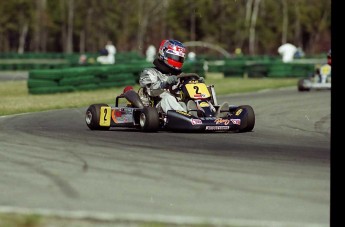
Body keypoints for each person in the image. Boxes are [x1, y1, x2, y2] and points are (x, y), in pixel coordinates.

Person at [139, 39, 229, 118]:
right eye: (175, 57)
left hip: (179, 106)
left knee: (207, 89)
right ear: (164, 54)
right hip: (157, 108)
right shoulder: (150, 72)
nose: (177, 60)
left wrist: (197, 83)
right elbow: (151, 90)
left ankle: (212, 113)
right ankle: (188, 116)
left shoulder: (181, 75)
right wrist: (165, 83)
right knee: (168, 98)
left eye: (180, 58)